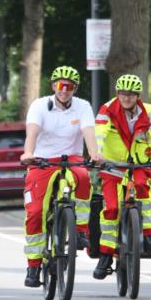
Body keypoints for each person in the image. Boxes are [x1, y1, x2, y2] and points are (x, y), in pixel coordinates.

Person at [20, 66, 101, 287]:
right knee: (36, 212)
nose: (64, 90)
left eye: (69, 87)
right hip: (42, 161)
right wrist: (29, 153)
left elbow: (89, 133)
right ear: (53, 86)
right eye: (59, 85)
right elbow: (32, 132)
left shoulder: (82, 106)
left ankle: (81, 230)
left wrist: (94, 154)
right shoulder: (39, 106)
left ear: (75, 89)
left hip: (71, 158)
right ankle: (34, 266)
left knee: (84, 178)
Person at [92, 74, 151, 280]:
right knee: (110, 207)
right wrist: (97, 154)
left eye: (131, 94)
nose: (126, 98)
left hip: (139, 163)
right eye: (122, 94)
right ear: (117, 94)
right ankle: (106, 255)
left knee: (142, 187)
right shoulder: (107, 110)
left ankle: (149, 237)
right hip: (112, 165)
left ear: (139, 96)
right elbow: (98, 133)